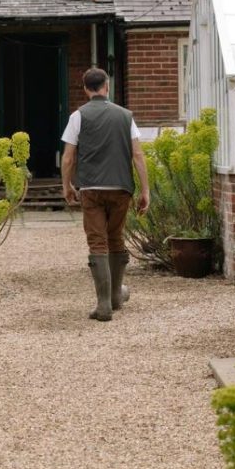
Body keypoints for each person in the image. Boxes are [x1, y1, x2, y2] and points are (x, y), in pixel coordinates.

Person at [60, 67, 150, 321]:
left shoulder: (78, 116)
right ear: (106, 87)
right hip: (121, 187)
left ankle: (104, 305)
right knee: (116, 238)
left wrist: (67, 186)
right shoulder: (125, 116)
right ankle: (115, 297)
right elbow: (138, 155)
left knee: (97, 241)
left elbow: (68, 157)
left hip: (91, 188)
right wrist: (145, 190)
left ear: (86, 89)